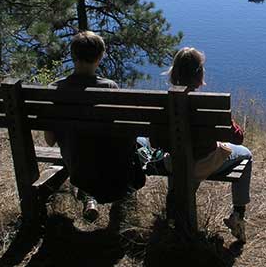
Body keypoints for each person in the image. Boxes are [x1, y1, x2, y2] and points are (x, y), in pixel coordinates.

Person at [44, 30, 143, 223]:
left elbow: (49, 141)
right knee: (139, 144)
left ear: (73, 56)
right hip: (111, 165)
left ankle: (89, 196)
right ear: (100, 57)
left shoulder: (54, 90)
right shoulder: (109, 88)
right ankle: (122, 205)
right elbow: (122, 134)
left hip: (77, 164)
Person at [158, 47, 253, 243]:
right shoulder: (207, 105)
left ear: (173, 72)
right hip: (202, 163)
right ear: (199, 74)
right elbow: (238, 138)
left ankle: (175, 207)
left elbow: (154, 141)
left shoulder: (161, 103)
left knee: (180, 156)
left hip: (173, 163)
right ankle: (238, 216)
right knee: (245, 154)